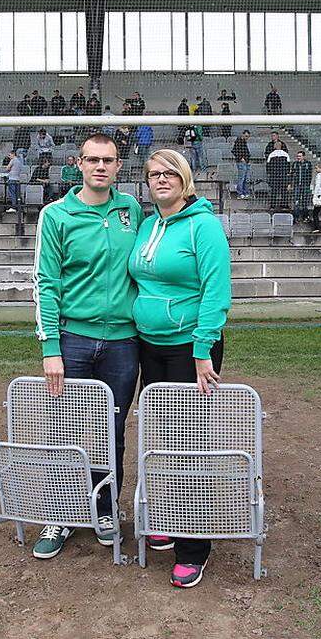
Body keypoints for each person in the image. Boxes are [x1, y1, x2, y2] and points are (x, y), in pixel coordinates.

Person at [31, 133, 144, 562]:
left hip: (123, 344)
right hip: (74, 342)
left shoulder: (130, 210)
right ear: (79, 163)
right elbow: (45, 283)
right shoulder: (56, 215)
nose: (101, 166)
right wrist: (51, 348)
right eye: (93, 160)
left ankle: (104, 509)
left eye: (109, 160)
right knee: (66, 432)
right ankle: (59, 514)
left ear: (118, 166)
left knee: (111, 432)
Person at [129, 148, 232, 589]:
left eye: (170, 172)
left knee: (189, 446)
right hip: (149, 347)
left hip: (190, 349)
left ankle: (194, 546)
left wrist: (202, 348)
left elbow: (216, 289)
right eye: (154, 174)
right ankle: (169, 520)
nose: (162, 179)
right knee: (162, 440)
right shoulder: (148, 224)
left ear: (185, 178)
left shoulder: (205, 226)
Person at [232, 130, 252, 200]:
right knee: (241, 178)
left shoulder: (244, 142)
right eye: (246, 136)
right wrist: (241, 158)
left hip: (246, 162)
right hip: (242, 163)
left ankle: (246, 192)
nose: (247, 138)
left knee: (246, 179)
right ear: (242, 135)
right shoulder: (238, 141)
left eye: (248, 137)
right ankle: (240, 193)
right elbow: (234, 151)